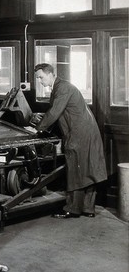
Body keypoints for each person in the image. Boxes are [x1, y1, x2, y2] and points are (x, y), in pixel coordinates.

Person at [31, 63, 107, 219]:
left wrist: (37, 129)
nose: (39, 81)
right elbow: (58, 112)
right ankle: (88, 208)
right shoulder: (60, 87)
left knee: (75, 168)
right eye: (37, 78)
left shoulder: (62, 88)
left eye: (41, 77)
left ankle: (72, 209)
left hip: (79, 134)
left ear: (51, 74)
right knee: (87, 168)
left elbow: (54, 113)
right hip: (86, 132)